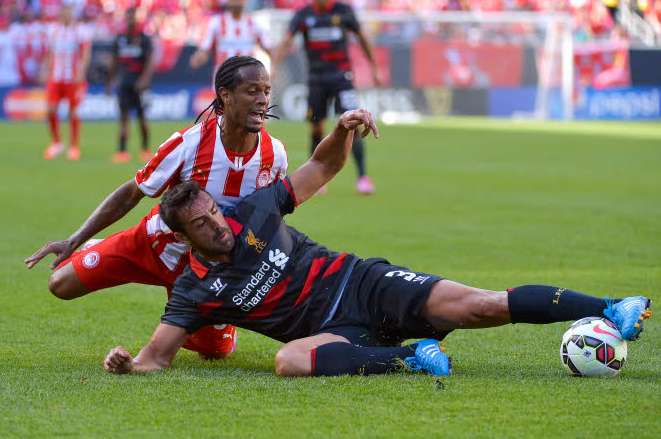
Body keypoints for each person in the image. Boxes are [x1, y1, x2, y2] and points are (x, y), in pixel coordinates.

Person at [101, 109, 652, 377]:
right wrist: (127, 365)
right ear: (186, 237)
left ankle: (613, 308)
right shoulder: (194, 289)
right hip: (332, 332)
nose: (218, 224)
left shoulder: (256, 211)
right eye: (203, 224)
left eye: (215, 212)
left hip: (362, 284)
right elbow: (156, 358)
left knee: (482, 307)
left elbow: (320, 166)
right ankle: (410, 358)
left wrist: (341, 130)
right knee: (290, 362)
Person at [26, 56, 289, 359]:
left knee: (215, 352)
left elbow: (268, 220)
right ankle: (104, 246)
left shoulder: (276, 156)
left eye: (266, 91)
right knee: (60, 284)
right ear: (225, 95)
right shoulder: (189, 144)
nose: (262, 100)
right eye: (252, 91)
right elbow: (132, 193)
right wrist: (75, 239)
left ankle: (205, 322)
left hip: (204, 273)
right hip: (153, 244)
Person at [273, 0, 381, 195]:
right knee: (316, 127)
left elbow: (362, 37)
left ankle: (363, 177)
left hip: (342, 78)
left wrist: (374, 66)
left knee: (354, 124)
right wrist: (273, 68)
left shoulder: (343, 11)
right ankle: (316, 179)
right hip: (317, 80)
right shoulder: (304, 15)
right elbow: (287, 40)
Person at [42, 5, 92, 161]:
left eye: (69, 12)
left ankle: (74, 146)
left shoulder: (80, 31)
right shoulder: (53, 31)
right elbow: (50, 53)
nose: (67, 15)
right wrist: (45, 69)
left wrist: (81, 72)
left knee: (74, 112)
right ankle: (57, 142)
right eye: (64, 12)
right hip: (56, 78)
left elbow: (85, 53)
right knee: (50, 110)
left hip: (73, 78)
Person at [107, 7, 155, 164]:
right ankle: (122, 151)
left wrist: (144, 80)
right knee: (123, 118)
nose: (130, 20)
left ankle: (145, 149)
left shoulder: (144, 39)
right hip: (124, 85)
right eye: (128, 17)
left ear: (136, 19)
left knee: (142, 119)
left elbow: (149, 61)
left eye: (132, 17)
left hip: (140, 86)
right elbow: (114, 61)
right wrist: (109, 81)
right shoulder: (119, 39)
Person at [189, 0, 270, 79]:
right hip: (224, 76)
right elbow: (205, 49)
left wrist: (274, 66)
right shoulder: (217, 22)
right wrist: (198, 58)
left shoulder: (254, 23)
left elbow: (268, 48)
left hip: (247, 77)